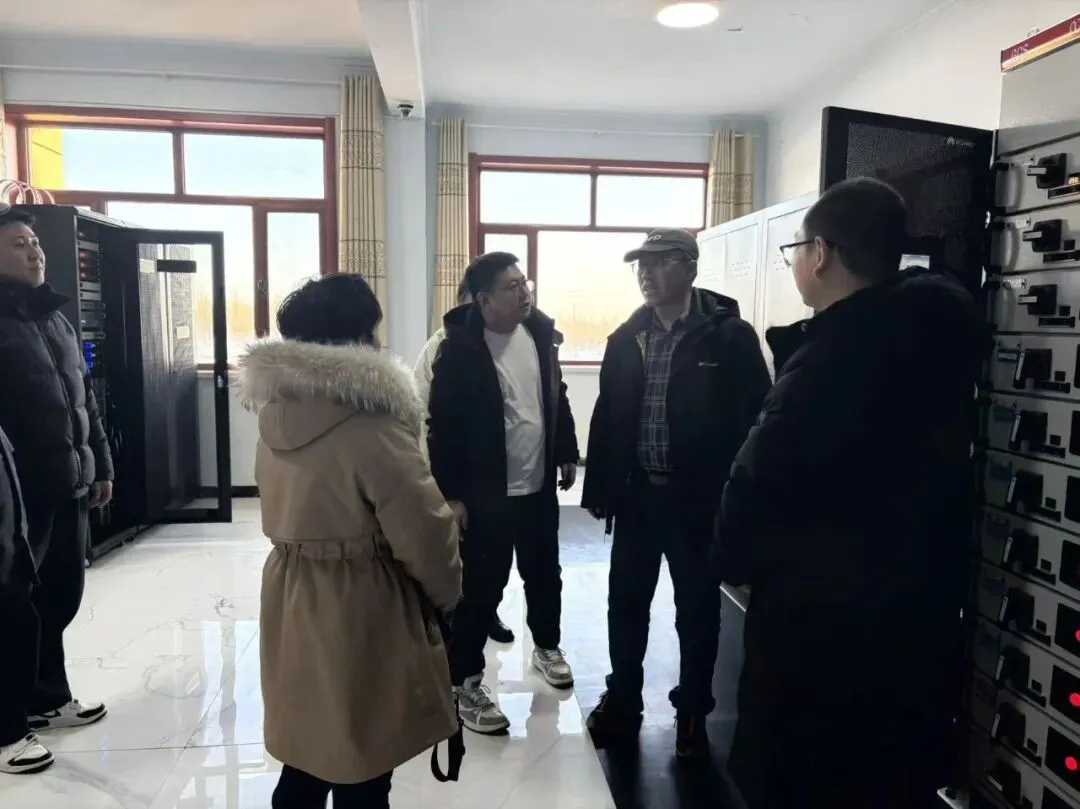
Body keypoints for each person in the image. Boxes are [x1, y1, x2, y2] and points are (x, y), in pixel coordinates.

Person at [713, 178, 984, 809]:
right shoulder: (940, 332)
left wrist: (731, 560)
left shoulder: (828, 359)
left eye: (795, 250)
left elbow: (757, 480)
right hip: (913, 614)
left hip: (822, 632)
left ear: (821, 254)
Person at [238, 273, 462, 809]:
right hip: (362, 601)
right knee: (364, 762)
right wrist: (447, 595)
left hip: (292, 594)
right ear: (360, 340)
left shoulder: (275, 413)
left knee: (307, 750)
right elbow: (424, 532)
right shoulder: (372, 426)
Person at [580, 228, 771, 760]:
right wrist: (601, 488)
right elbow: (608, 415)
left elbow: (757, 420)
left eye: (660, 262)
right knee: (626, 604)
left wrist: (741, 499)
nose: (646, 273)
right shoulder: (626, 338)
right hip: (638, 497)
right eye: (641, 264)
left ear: (689, 268)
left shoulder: (728, 337)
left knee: (697, 609)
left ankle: (692, 712)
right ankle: (623, 699)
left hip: (697, 501)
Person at [427, 251, 579, 734]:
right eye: (511, 287)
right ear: (484, 299)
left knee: (544, 573)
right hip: (486, 492)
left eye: (524, 282)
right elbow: (442, 429)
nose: (523, 293)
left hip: (537, 486)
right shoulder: (459, 350)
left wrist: (566, 449)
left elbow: (555, 394)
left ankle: (546, 647)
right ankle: (465, 681)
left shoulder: (537, 335)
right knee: (480, 588)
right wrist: (452, 496)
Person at [0, 205, 112, 774]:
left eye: (35, 243)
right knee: (11, 609)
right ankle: (6, 726)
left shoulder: (54, 319)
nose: (34, 251)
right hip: (15, 496)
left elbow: (83, 399)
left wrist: (100, 466)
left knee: (60, 595)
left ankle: (46, 698)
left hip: (67, 483)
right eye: (19, 243)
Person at [414, 274, 514, 645]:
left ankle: (487, 612)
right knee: (460, 552)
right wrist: (440, 483)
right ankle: (455, 620)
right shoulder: (441, 346)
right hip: (453, 473)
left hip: (497, 474)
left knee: (495, 556)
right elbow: (422, 414)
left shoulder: (505, 343)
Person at [0, 424, 51, 775]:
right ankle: (7, 735)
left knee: (23, 625)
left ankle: (14, 726)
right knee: (15, 629)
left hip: (9, 546)